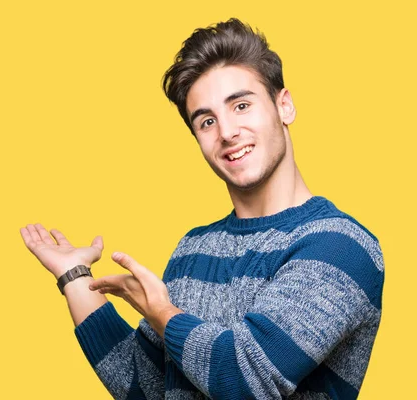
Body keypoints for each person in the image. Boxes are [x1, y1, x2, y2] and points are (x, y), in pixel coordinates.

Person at [20, 18, 384, 399]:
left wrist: (160, 312)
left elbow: (243, 380)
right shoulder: (194, 248)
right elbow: (146, 388)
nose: (227, 132)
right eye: (207, 121)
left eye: (241, 105)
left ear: (284, 105)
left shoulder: (341, 246)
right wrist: (74, 277)